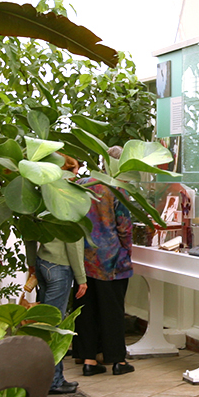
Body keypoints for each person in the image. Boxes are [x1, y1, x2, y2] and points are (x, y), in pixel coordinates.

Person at [26, 155, 86, 395]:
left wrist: (32, 263)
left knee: (44, 323)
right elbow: (74, 240)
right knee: (54, 326)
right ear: (71, 170)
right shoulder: (69, 195)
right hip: (60, 266)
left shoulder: (41, 193)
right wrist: (81, 277)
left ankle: (45, 378)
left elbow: (28, 231)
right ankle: (52, 381)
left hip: (43, 261)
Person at [71, 147, 135, 376]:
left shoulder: (82, 184)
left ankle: (89, 360)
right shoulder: (118, 189)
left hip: (84, 260)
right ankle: (118, 360)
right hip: (111, 262)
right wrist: (127, 253)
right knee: (113, 311)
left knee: (86, 311)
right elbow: (124, 228)